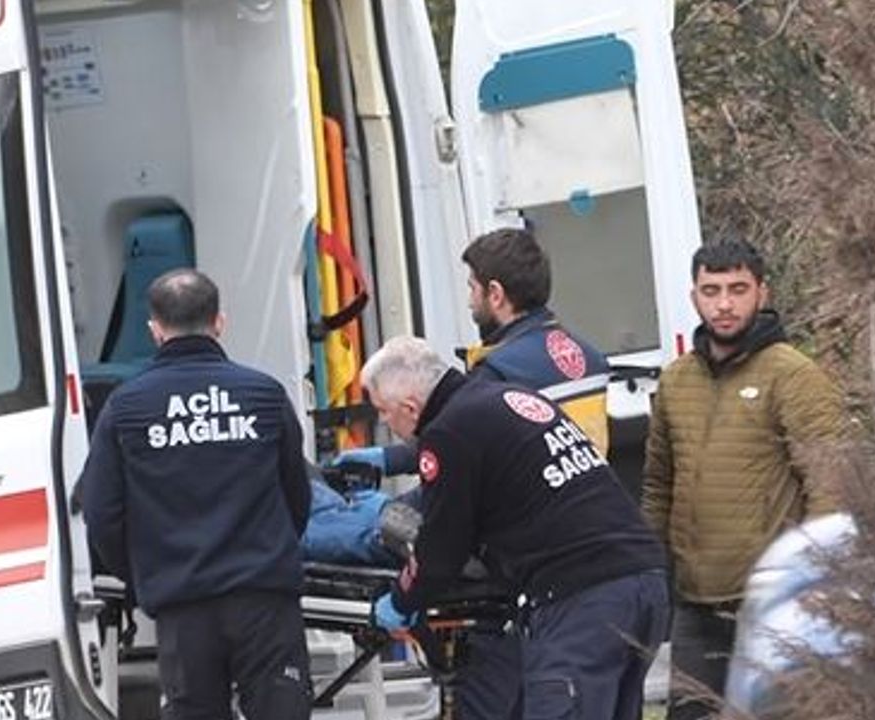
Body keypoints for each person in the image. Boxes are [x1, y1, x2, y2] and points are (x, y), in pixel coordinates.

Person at [336, 226, 614, 719]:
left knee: (375, 521)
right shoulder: (582, 355)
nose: (469, 300)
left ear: (496, 294)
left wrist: (403, 594)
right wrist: (391, 460)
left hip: (514, 553)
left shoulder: (499, 371)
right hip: (579, 533)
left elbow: (460, 453)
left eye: (471, 287)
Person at [362, 336, 669, 720]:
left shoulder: (448, 432)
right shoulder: (504, 397)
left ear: (409, 407)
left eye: (383, 412)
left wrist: (401, 601)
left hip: (582, 598)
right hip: (643, 580)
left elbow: (441, 550)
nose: (383, 422)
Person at [79, 268, 313, 720]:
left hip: (182, 606)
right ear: (219, 322)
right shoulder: (263, 394)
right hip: (264, 598)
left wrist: (142, 576)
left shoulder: (126, 408)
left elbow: (101, 512)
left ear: (155, 330)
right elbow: (297, 495)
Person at [641, 239, 846, 720]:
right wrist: (648, 570)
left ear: (762, 293)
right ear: (694, 296)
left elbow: (831, 483)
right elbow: (658, 487)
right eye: (711, 290)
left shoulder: (793, 375)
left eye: (738, 289)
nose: (724, 304)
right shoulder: (676, 381)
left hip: (772, 602)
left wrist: (812, 580)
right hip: (695, 603)